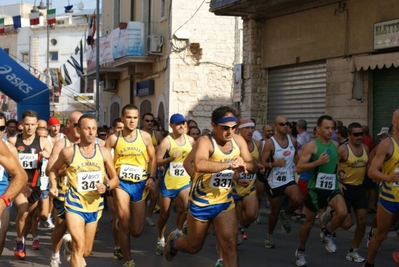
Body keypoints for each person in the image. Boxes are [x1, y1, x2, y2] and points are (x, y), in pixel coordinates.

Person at [163, 106, 257, 267]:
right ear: (214, 125)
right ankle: (174, 243)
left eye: (234, 127)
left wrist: (242, 167)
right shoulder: (205, 141)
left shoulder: (238, 140)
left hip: (224, 201)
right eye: (225, 128)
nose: (230, 132)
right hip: (202, 202)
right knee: (193, 247)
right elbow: (198, 164)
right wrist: (228, 165)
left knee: (230, 246)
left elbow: (252, 165)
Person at [48, 114, 119, 267]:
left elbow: (115, 179)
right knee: (79, 246)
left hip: (94, 205)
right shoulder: (69, 152)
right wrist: (53, 186)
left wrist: (106, 186)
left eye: (94, 128)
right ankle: (73, 249)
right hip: (74, 203)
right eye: (87, 128)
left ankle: (69, 248)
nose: (91, 132)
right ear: (79, 130)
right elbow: (53, 169)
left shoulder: (104, 152)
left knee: (86, 251)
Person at [105, 104, 156, 267]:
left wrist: (152, 177)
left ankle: (121, 224)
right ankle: (128, 260)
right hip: (121, 184)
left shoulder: (145, 137)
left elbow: (153, 158)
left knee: (137, 231)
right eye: (128, 117)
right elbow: (103, 158)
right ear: (122, 118)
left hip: (140, 184)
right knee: (125, 222)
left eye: (135, 117)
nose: (132, 121)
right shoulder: (114, 138)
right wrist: (108, 177)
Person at [294, 115, 347, 267]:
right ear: (318, 129)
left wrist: (340, 175)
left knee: (342, 212)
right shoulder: (312, 146)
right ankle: (301, 251)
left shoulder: (335, 145)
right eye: (327, 128)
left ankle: (327, 233)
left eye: (332, 128)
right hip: (315, 190)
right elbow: (299, 168)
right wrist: (317, 162)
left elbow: (336, 164)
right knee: (309, 224)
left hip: (332, 187)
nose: (330, 131)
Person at [8, 110, 52, 260]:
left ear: (37, 125)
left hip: (36, 185)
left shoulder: (43, 141)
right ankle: (20, 241)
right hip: (19, 184)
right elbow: (8, 164)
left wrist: (48, 156)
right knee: (24, 210)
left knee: (29, 217)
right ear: (22, 123)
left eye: (33, 125)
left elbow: (54, 161)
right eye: (26, 124)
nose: (29, 128)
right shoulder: (14, 141)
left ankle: (22, 239)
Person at [46, 111, 83, 267]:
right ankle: (55, 254)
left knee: (85, 232)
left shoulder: (92, 143)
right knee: (60, 228)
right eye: (77, 125)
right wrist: (67, 170)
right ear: (68, 125)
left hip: (84, 195)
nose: (81, 128)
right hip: (64, 193)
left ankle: (75, 249)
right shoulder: (62, 144)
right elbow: (49, 170)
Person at [155, 113, 194, 255]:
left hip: (184, 181)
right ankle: (160, 238)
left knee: (185, 207)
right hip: (168, 183)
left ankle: (177, 231)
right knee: (164, 214)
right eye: (178, 124)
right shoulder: (167, 141)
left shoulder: (190, 140)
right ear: (171, 125)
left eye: (183, 123)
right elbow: (157, 161)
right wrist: (171, 158)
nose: (182, 126)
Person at [260, 116, 302, 248]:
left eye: (287, 124)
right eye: (282, 124)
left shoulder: (293, 140)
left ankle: (287, 214)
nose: (285, 126)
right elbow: (263, 162)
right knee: (275, 211)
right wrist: (275, 164)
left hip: (288, 177)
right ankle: (269, 235)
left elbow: (295, 157)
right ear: (276, 126)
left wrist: (301, 167)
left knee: (298, 199)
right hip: (273, 180)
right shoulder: (270, 143)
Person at [366, 109, 399, 267]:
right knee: (380, 234)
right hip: (389, 198)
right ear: (394, 122)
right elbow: (372, 172)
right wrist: (388, 178)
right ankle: (369, 263)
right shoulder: (387, 144)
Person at [335, 122, 368, 262]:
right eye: (356, 134)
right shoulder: (342, 149)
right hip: (345, 188)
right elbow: (331, 165)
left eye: (361, 134)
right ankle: (332, 213)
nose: (359, 137)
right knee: (346, 225)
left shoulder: (366, 148)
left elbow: (370, 165)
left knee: (362, 221)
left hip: (359, 188)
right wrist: (337, 182)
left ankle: (353, 250)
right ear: (349, 135)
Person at [0, 113, 28, 255]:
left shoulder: (8, 148)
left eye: (1, 127)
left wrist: (4, 200)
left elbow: (19, 175)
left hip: (2, 190)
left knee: (1, 235)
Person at [140, 112, 163, 227]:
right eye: (147, 120)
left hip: (154, 168)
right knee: (142, 196)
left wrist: (155, 149)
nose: (149, 123)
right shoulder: (138, 135)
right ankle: (140, 217)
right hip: (141, 168)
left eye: (151, 121)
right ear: (142, 122)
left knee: (154, 195)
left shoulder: (157, 135)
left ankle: (148, 217)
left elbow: (163, 149)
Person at [294, 119, 311, 219]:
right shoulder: (304, 135)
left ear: (298, 127)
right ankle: (300, 209)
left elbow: (294, 147)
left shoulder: (302, 137)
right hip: (300, 164)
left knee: (301, 188)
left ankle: (301, 209)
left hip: (301, 165)